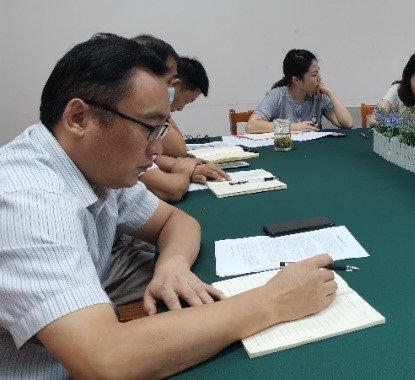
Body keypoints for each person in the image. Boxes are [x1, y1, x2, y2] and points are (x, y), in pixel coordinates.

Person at [0, 34, 336, 378]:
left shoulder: (94, 167)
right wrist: (272, 301)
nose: (157, 149)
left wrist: (172, 266)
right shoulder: (29, 203)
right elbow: (105, 361)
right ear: (78, 117)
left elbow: (176, 221)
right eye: (150, 128)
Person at [138, 56, 218, 203]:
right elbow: (171, 188)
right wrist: (185, 170)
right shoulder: (135, 117)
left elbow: (154, 158)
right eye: (168, 81)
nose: (168, 87)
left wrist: (188, 166)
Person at [245, 49, 354, 133]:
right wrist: (294, 127)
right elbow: (251, 126)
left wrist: (331, 93)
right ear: (296, 80)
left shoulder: (318, 96)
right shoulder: (277, 95)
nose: (319, 78)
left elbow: (347, 124)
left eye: (318, 73)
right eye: (314, 75)